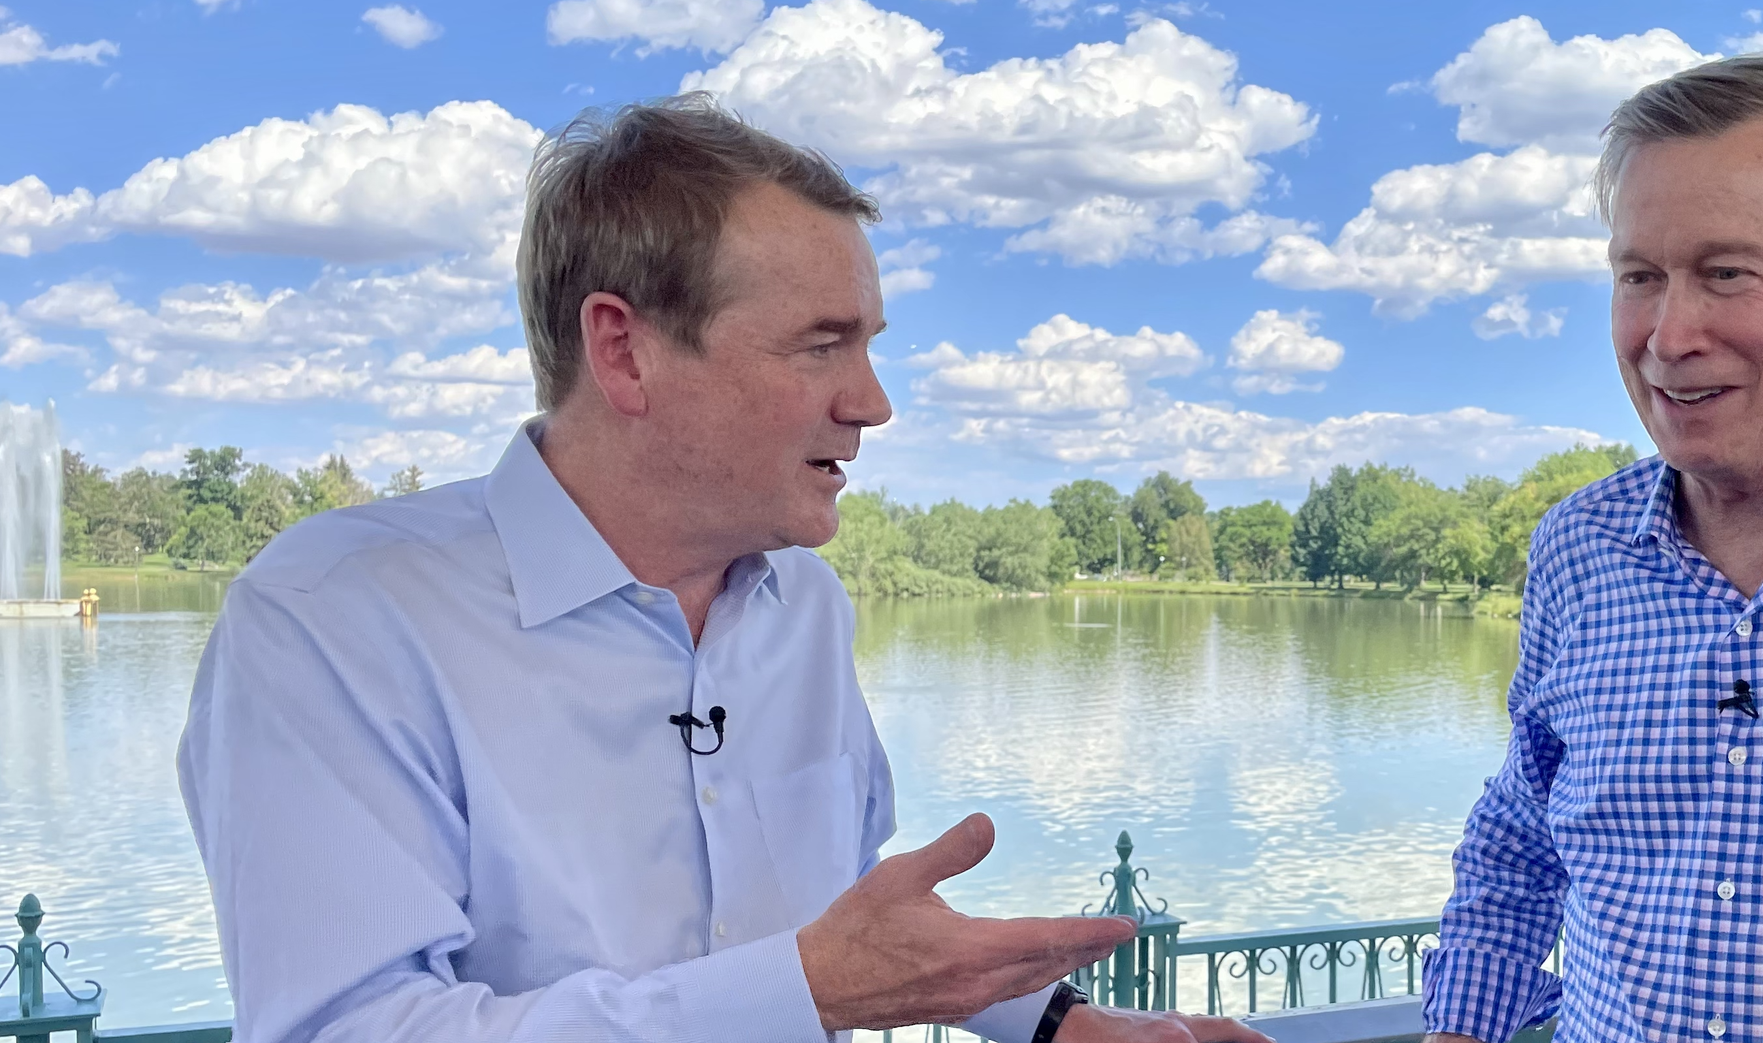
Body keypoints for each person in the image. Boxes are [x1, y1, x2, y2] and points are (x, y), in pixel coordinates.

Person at [177, 95, 1269, 1043]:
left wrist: (1060, 1026)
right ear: (624, 350)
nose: (872, 401)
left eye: (872, 343)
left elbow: (835, 916)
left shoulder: (803, 607)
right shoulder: (335, 618)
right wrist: (801, 989)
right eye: (820, 344)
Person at [1421, 56, 1763, 1042]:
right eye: (1639, 277)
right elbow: (1521, 833)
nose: (1667, 333)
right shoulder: (1577, 551)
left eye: (1726, 273)